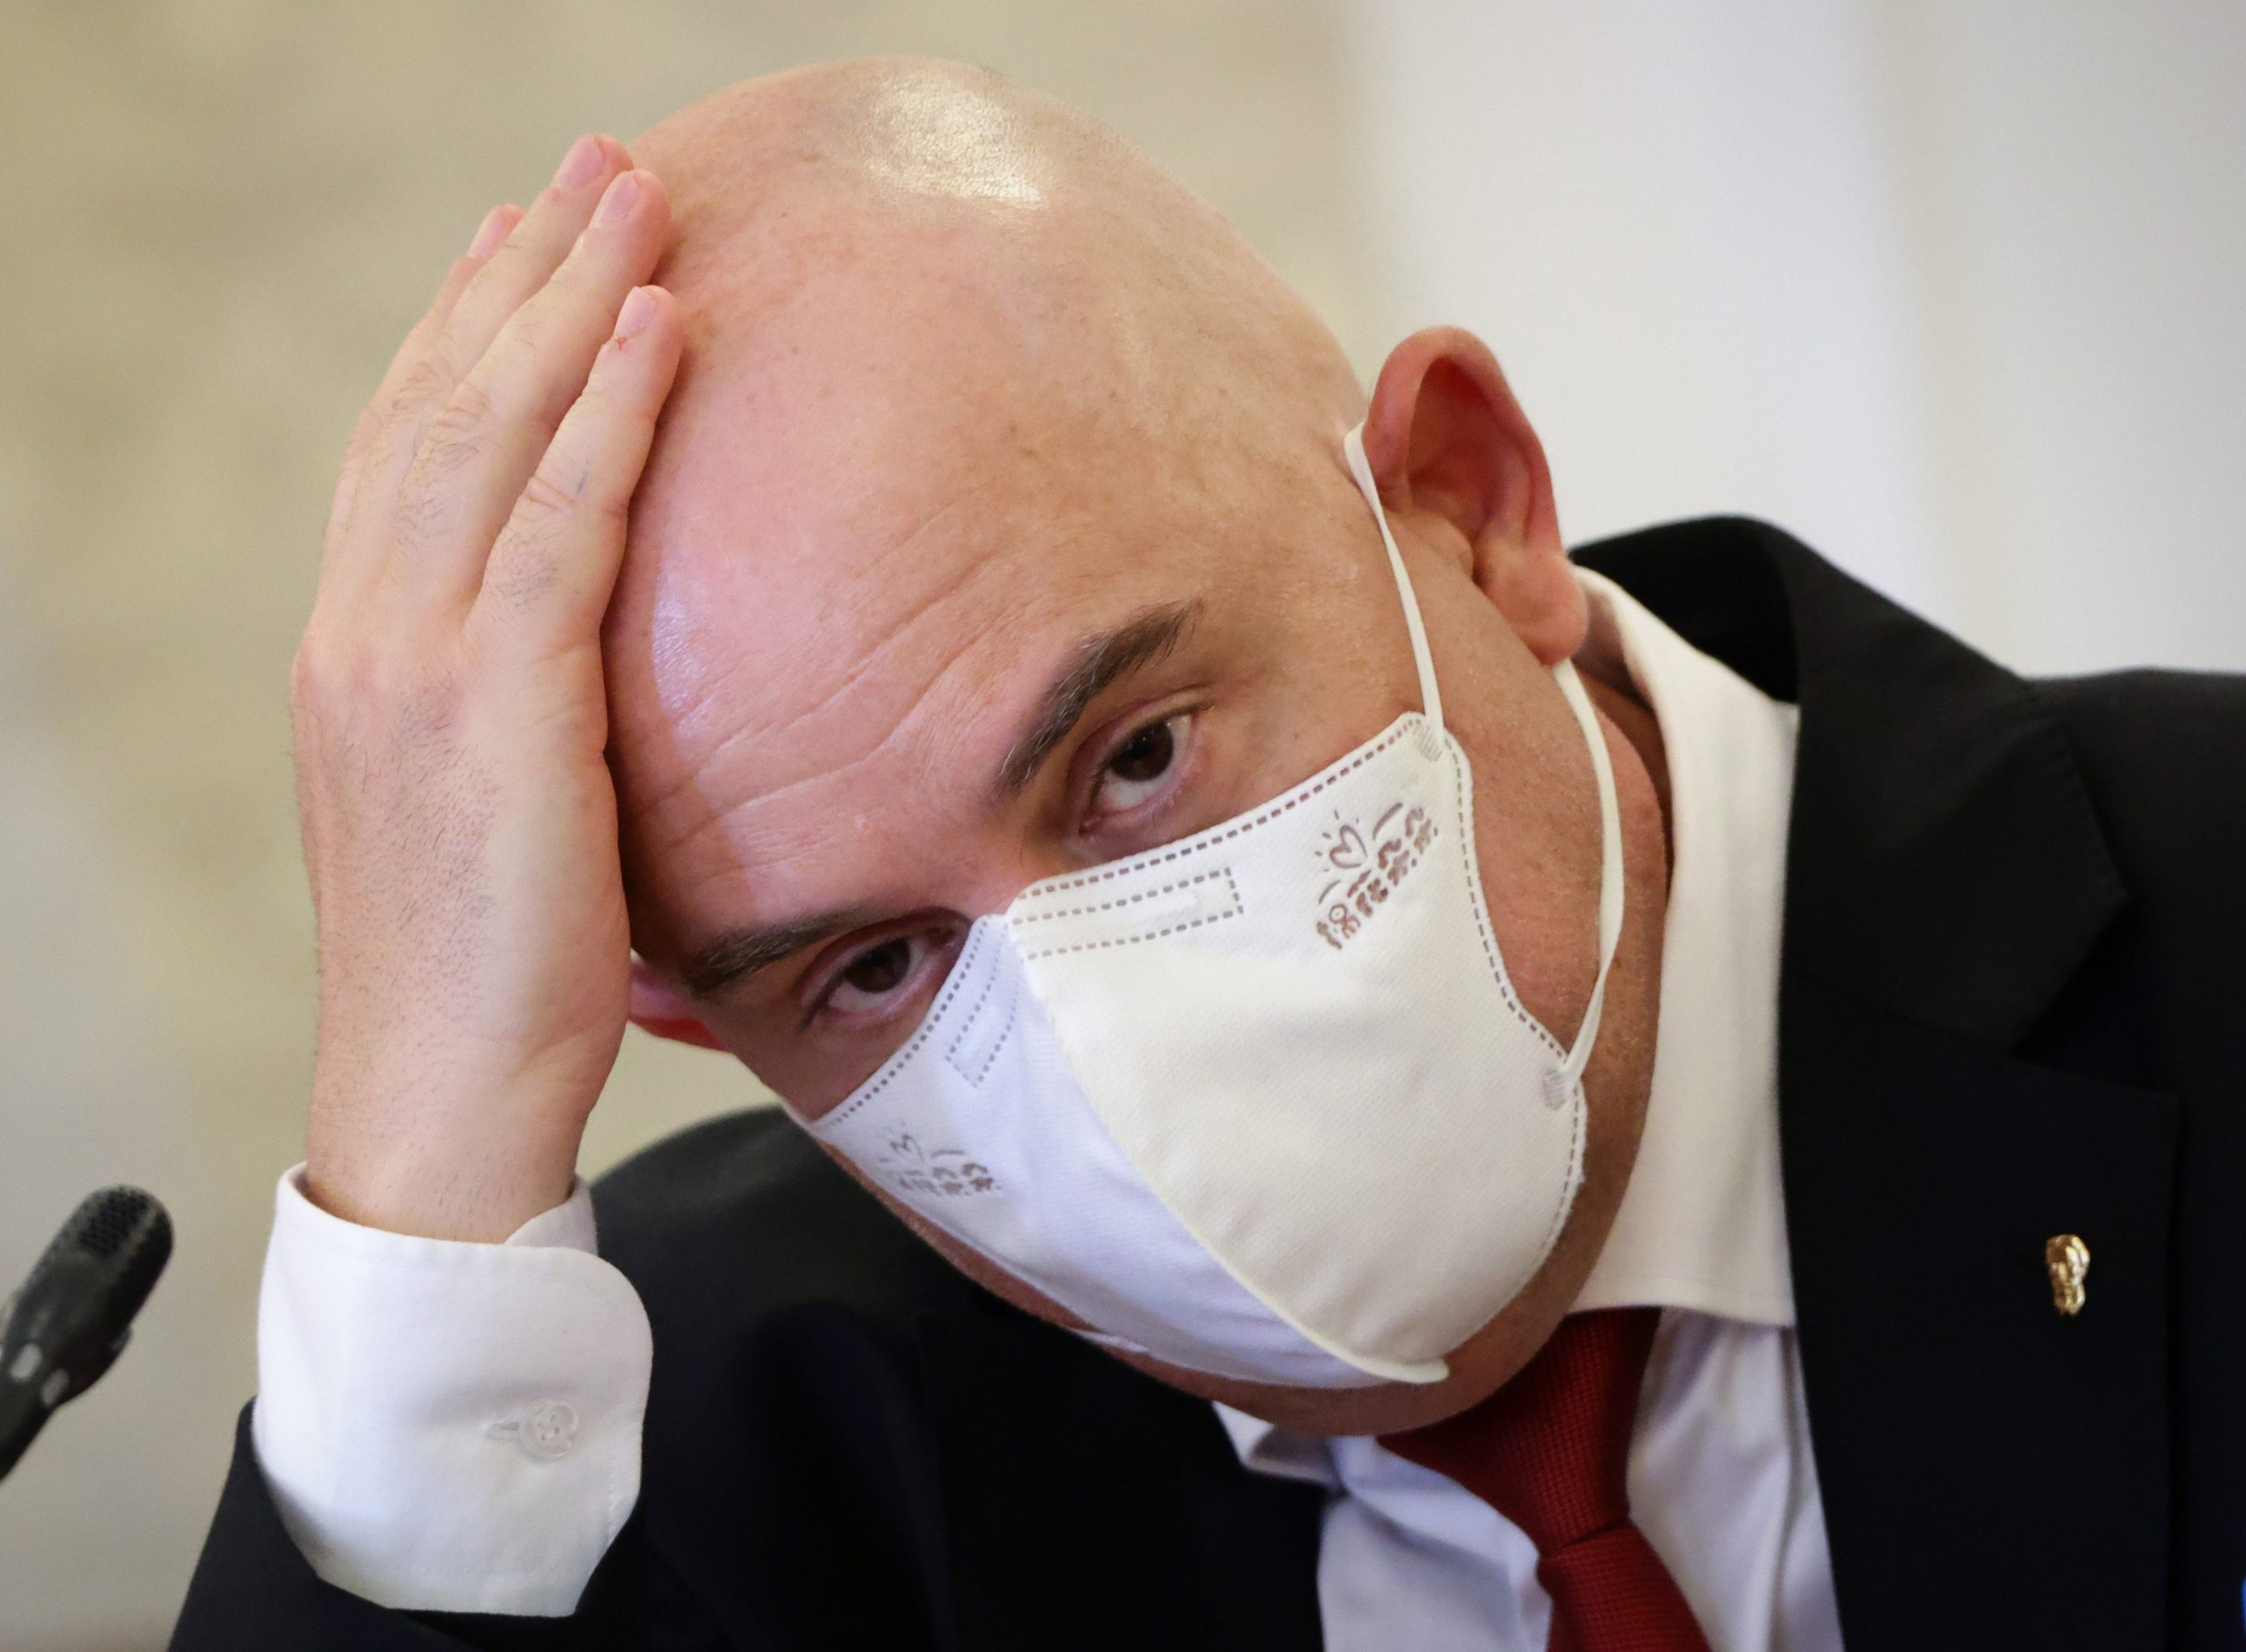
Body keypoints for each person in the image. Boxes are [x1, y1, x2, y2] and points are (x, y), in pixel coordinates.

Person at [172, 57, 2244, 1652]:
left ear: (1470, 505)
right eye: (873, 968)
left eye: (1137, 757)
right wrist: (421, 1135)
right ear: (696, 1018)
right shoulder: (720, 1465)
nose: (1115, 1067)